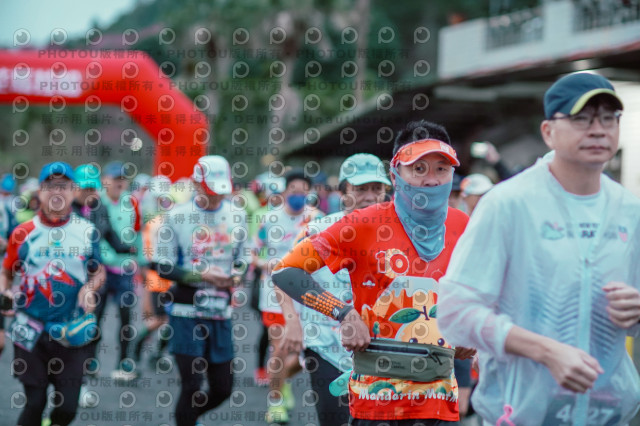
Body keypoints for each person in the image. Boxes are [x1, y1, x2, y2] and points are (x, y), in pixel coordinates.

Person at [438, 72, 640, 425]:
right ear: (548, 131)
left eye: (609, 118)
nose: (598, 130)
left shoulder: (629, 210)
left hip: (608, 416)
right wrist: (546, 351)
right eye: (581, 119)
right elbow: (455, 312)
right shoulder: (508, 204)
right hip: (521, 415)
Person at [273, 120, 475, 425]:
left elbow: (481, 288)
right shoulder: (362, 224)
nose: (431, 180)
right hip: (376, 399)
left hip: (436, 398)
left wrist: (469, 328)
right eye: (418, 169)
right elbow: (286, 271)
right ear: (396, 175)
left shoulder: (464, 226)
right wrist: (343, 314)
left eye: (441, 169)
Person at [278, 153, 391, 426]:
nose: (370, 196)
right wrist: (292, 322)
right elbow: (284, 274)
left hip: (380, 347)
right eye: (360, 189)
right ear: (343, 192)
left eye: (376, 188)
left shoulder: (395, 233)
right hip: (325, 344)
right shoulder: (319, 230)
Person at [0, 162, 105, 426]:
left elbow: (98, 271)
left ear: (73, 191)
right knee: (34, 403)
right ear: (40, 191)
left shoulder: (87, 231)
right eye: (50, 186)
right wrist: (5, 292)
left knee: (67, 408)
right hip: (30, 329)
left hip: (71, 331)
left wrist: (90, 288)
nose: (57, 192)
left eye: (63, 186)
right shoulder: (22, 232)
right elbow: (6, 272)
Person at [149, 155, 250, 426]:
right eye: (210, 191)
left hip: (220, 310)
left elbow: (244, 257)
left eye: (220, 192)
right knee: (192, 383)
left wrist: (237, 274)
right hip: (186, 310)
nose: (216, 197)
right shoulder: (176, 216)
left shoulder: (237, 214)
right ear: (196, 184)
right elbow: (162, 265)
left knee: (223, 388)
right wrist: (202, 275)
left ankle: (190, 418)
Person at [254, 168, 324, 424]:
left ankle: (282, 382)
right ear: (284, 192)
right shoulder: (269, 219)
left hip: (306, 295)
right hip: (274, 295)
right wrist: (266, 264)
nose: (298, 196)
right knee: (280, 349)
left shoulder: (317, 220)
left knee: (306, 355)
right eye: (293, 191)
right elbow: (253, 253)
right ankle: (275, 402)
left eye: (303, 192)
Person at [93, 161, 144, 381]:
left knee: (126, 319)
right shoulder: (95, 202)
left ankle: (123, 365)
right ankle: (91, 363)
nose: (119, 183)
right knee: (96, 317)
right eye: (115, 179)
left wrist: (141, 263)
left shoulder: (131, 202)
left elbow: (138, 234)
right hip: (101, 269)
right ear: (105, 180)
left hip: (125, 269)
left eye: (123, 179)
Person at [130, 175, 174, 367]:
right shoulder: (154, 222)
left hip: (168, 276)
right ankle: (138, 346)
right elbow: (147, 252)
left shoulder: (163, 219)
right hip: (158, 277)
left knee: (168, 318)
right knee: (160, 318)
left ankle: (156, 352)